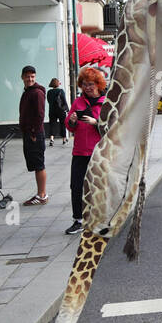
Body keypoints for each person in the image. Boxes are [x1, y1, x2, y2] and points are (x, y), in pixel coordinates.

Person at [64, 67, 106, 235]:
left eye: (91, 84)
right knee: (76, 186)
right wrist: (73, 120)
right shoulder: (78, 102)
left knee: (99, 186)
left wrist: (96, 123)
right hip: (80, 152)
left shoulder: (106, 102)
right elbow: (69, 126)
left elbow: (114, 126)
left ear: (98, 84)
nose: (87, 87)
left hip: (99, 152)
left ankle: (101, 219)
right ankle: (78, 220)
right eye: (84, 84)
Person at [20, 65, 49, 203]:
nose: (30, 79)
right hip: (31, 133)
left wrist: (33, 132)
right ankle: (40, 194)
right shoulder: (28, 91)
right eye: (27, 76)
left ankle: (42, 195)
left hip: (35, 134)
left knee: (39, 165)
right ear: (22, 77)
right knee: (36, 164)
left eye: (32, 76)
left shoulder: (36, 93)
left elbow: (40, 114)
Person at [46, 77, 69, 147]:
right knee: (62, 124)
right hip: (61, 110)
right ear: (57, 84)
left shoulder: (49, 92)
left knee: (52, 124)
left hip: (52, 110)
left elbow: (48, 101)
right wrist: (67, 109)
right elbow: (64, 101)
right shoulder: (61, 91)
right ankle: (64, 139)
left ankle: (51, 139)